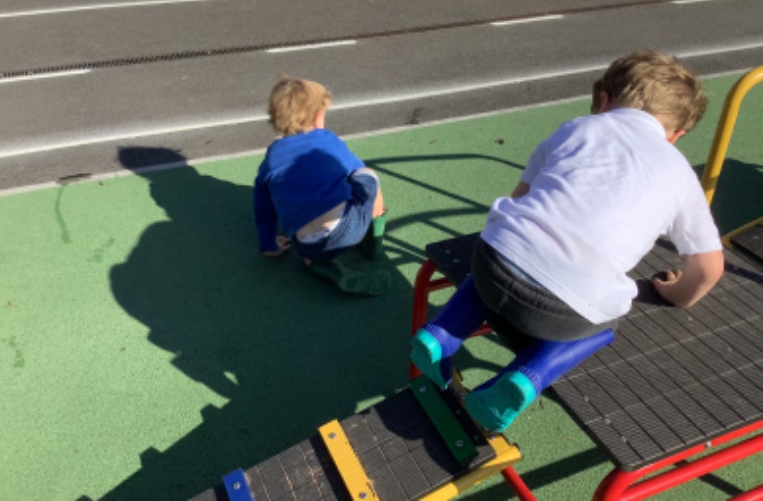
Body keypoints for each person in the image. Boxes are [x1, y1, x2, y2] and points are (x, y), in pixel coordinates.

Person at [410, 50, 725, 432]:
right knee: (607, 321)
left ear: (603, 101)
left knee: (513, 243)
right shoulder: (679, 174)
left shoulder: (577, 128)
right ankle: (525, 378)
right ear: (676, 136)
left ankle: (441, 335)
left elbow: (521, 198)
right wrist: (678, 295)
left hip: (492, 264)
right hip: (564, 310)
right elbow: (709, 268)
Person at [253, 77, 391, 296]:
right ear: (318, 116)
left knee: (309, 248)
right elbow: (355, 171)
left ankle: (322, 266)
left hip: (307, 243)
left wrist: (269, 245)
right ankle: (373, 245)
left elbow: (263, 207)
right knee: (368, 175)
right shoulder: (327, 140)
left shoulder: (271, 157)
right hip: (348, 231)